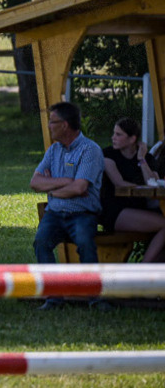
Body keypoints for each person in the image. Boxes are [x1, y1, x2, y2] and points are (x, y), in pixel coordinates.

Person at [30, 102, 104, 310]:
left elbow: (80, 188)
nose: (49, 126)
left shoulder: (91, 150)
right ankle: (54, 298)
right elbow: (35, 183)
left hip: (82, 213)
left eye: (52, 122)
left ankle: (95, 298)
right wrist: (64, 182)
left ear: (64, 125)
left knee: (85, 243)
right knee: (41, 243)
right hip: (54, 213)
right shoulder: (53, 151)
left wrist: (51, 189)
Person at [101, 117, 165, 262]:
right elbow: (119, 183)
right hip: (116, 210)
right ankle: (143, 267)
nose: (113, 138)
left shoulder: (147, 158)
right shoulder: (108, 155)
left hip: (140, 209)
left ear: (132, 139)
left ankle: (153, 270)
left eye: (118, 134)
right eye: (114, 133)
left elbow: (152, 182)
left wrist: (141, 158)